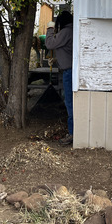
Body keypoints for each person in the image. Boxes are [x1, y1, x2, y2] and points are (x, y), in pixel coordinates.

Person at [45, 10, 74, 144]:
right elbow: (66, 52)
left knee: (69, 103)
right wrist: (56, 60)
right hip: (69, 69)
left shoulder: (66, 32)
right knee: (69, 101)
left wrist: (50, 29)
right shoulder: (71, 31)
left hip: (68, 72)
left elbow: (50, 44)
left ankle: (72, 133)